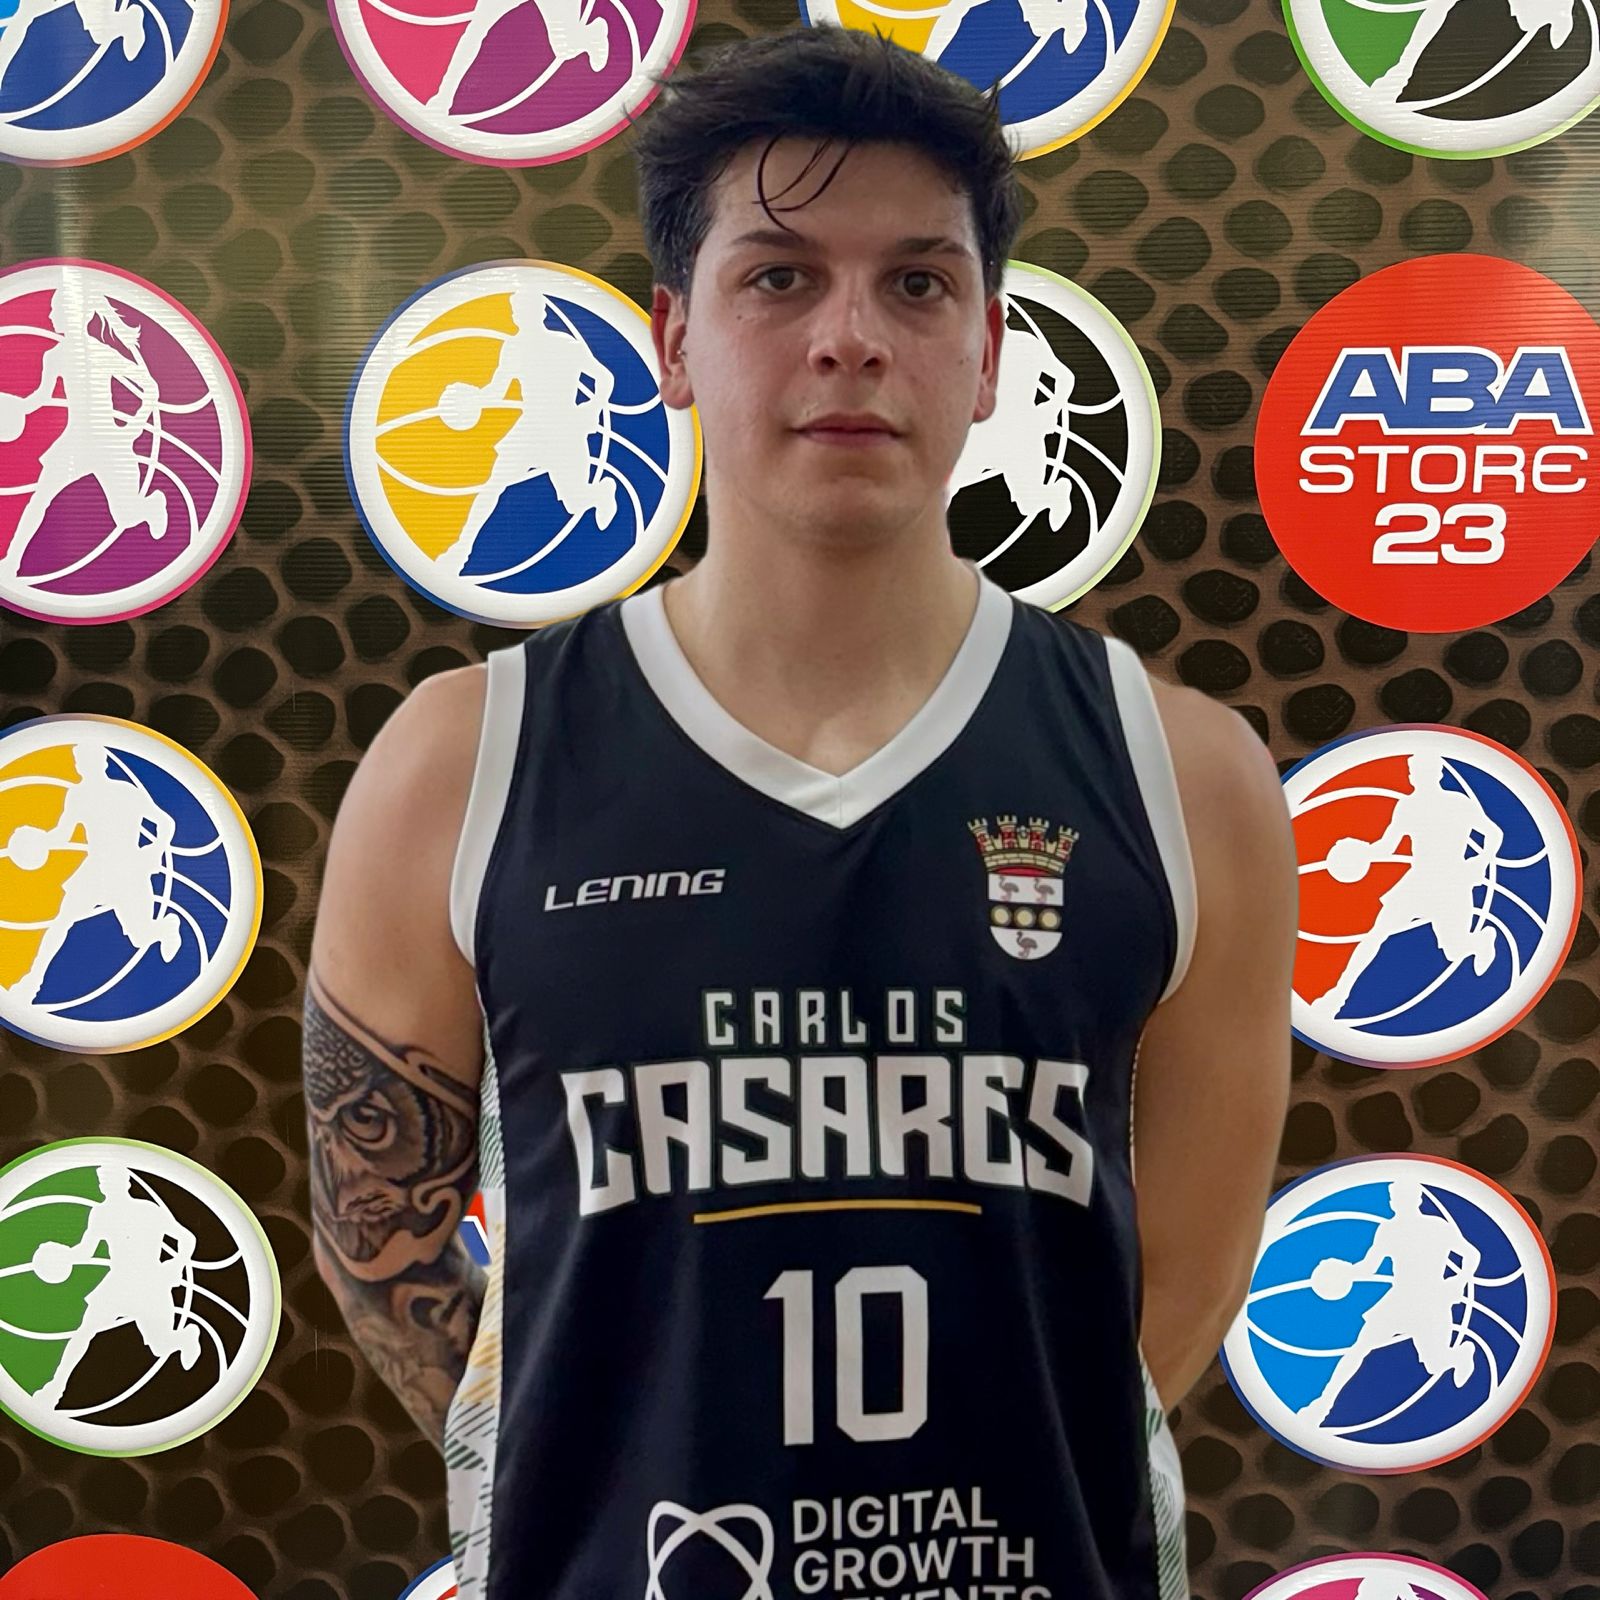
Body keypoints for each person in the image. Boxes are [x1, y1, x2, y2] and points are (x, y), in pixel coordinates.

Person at [305, 25, 1296, 1600]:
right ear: (673, 341)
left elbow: (1172, 1294)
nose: (852, 338)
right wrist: (602, 1457)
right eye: (778, 277)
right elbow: (382, 1236)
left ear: (989, 350)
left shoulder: (1185, 773)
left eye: (918, 283)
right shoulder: (463, 759)